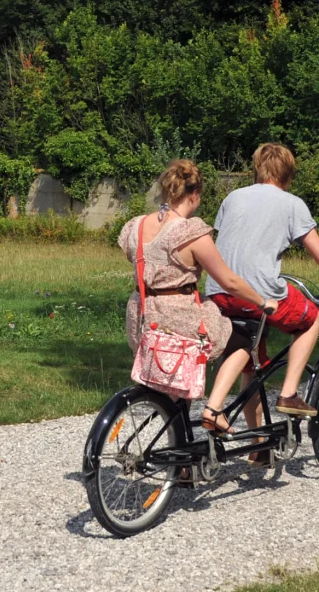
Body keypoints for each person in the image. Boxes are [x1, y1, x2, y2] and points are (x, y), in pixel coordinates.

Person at [118, 160, 278, 436]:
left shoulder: (135, 226)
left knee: (174, 385)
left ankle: (181, 464)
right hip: (178, 316)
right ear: (194, 194)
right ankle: (213, 411)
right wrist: (263, 301)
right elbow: (228, 280)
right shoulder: (190, 232)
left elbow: (133, 256)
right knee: (244, 341)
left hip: (143, 314)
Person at [205, 143, 319, 457]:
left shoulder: (232, 197)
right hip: (258, 293)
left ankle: (258, 447)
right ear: (288, 174)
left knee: (252, 367)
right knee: (312, 319)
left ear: (258, 169)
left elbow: (227, 242)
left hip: (219, 291)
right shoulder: (292, 204)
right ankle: (289, 393)